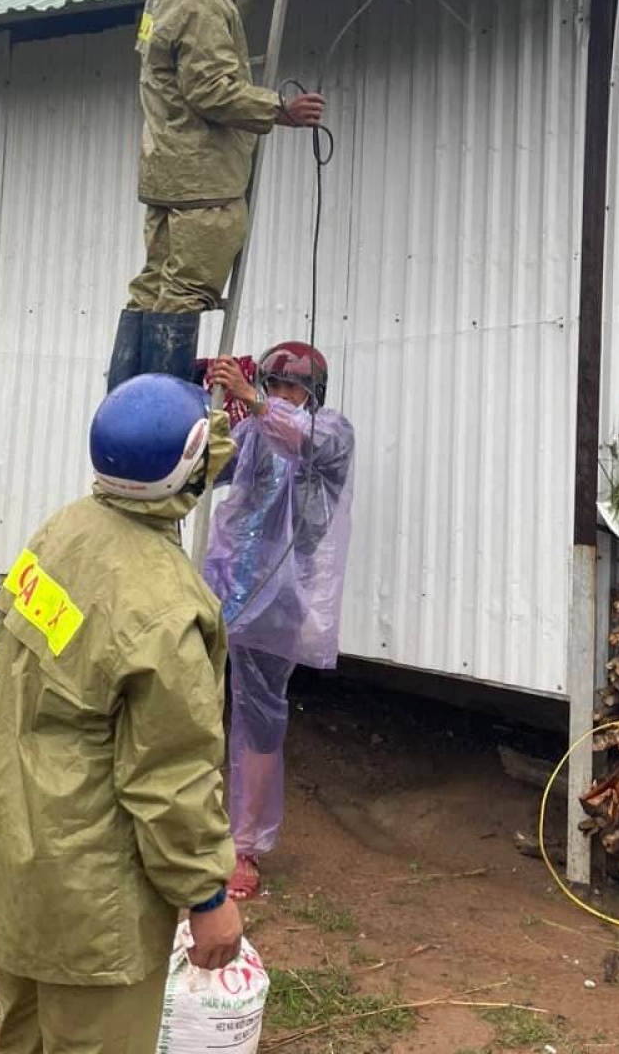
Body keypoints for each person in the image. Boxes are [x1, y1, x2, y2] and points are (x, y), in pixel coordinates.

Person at [0, 374, 245, 1054]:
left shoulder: (61, 533)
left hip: (22, 850)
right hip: (97, 894)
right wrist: (207, 897)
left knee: (27, 1034)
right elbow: (169, 775)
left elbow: (37, 675)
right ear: (188, 474)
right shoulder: (165, 607)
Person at [107, 0, 325, 387]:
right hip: (205, 180)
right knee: (186, 293)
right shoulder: (202, 4)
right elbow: (211, 89)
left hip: (166, 169)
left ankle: (125, 406)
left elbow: (184, 49)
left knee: (151, 288)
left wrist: (237, 1)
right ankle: (162, 420)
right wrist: (282, 109)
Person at [204, 342, 355, 900]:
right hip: (223, 587)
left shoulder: (333, 431)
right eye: (273, 386)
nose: (282, 396)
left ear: (315, 392)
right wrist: (213, 411)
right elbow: (207, 468)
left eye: (293, 388)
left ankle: (244, 845)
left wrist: (255, 404)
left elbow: (305, 438)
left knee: (259, 716)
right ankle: (182, 824)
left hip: (280, 602)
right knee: (191, 702)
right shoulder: (251, 431)